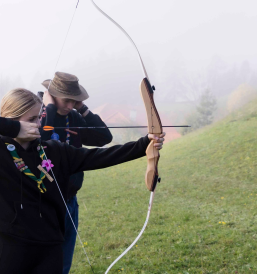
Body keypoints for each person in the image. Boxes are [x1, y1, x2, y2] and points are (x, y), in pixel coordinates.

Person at [0, 88, 165, 273]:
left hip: (49, 249)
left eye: (38, 117)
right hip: (10, 249)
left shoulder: (54, 150)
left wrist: (144, 144)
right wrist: (14, 129)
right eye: (30, 120)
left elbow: (100, 156)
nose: (38, 124)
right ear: (9, 118)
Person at [40, 71, 113, 273]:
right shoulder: (38, 113)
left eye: (75, 100)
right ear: (52, 95)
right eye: (67, 100)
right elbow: (40, 141)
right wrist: (51, 108)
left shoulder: (74, 116)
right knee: (45, 259)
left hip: (70, 199)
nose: (71, 105)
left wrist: (83, 109)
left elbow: (104, 137)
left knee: (64, 260)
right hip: (44, 202)